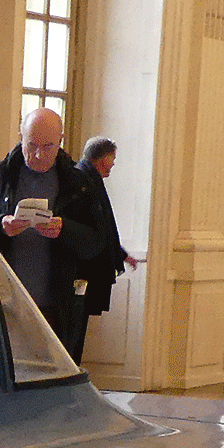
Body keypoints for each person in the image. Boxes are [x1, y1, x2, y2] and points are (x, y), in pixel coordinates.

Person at [0, 107, 104, 359]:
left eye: (48, 147)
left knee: (49, 378)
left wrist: (65, 230)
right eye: (31, 145)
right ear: (21, 137)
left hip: (55, 310)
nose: (38, 155)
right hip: (3, 307)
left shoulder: (79, 184)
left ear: (61, 141)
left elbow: (97, 242)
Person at [69, 136, 139, 363]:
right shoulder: (84, 181)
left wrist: (122, 254)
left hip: (86, 270)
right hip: (82, 271)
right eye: (112, 158)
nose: (114, 163)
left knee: (78, 330)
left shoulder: (90, 179)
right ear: (103, 158)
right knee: (74, 332)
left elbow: (102, 227)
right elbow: (96, 228)